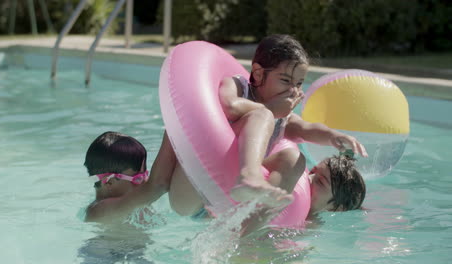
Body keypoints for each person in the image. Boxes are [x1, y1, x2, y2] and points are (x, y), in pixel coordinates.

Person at [168, 34, 368, 217]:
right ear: (257, 73)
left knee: (294, 157)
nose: (292, 90)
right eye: (285, 80)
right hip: (195, 193)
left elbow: (307, 130)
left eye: (298, 84)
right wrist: (270, 109)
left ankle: (253, 206)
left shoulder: (283, 118)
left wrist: (334, 136)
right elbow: (229, 106)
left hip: (222, 209)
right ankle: (249, 175)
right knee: (262, 115)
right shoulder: (238, 87)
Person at [83, 131, 176, 223]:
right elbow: (159, 185)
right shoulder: (99, 211)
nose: (145, 181)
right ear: (109, 181)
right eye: (138, 178)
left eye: (145, 175)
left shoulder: (133, 204)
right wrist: (173, 129)